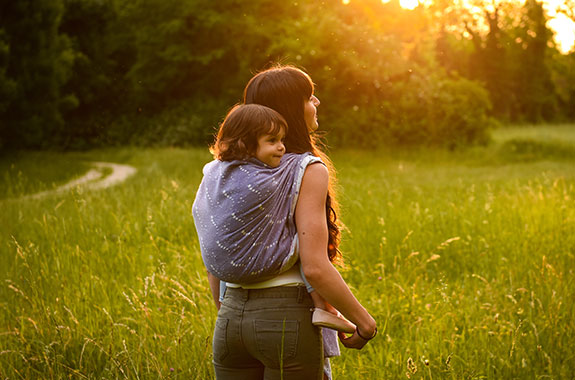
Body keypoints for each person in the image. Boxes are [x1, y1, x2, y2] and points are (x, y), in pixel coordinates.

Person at [194, 65, 377, 380]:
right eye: (308, 97)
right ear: (292, 109)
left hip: (229, 319)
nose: (316, 102)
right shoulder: (305, 169)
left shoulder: (219, 171)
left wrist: (227, 313)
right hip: (284, 318)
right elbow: (315, 267)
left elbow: (216, 253)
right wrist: (364, 322)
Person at [194, 102, 356, 333]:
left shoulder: (215, 172)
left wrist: (221, 309)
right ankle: (323, 305)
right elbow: (313, 264)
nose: (281, 148)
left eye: (282, 140)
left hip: (226, 286)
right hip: (262, 276)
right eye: (272, 141)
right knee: (300, 236)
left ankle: (322, 307)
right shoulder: (269, 179)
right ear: (246, 145)